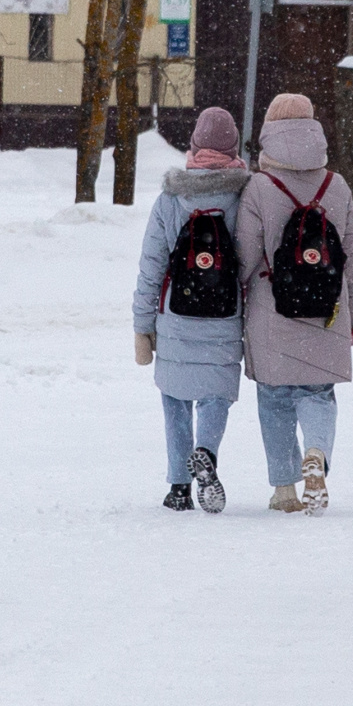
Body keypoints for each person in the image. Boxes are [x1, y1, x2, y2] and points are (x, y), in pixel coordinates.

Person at [236, 92, 353, 514]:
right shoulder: (338, 186)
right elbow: (351, 258)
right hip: (328, 311)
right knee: (318, 393)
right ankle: (316, 454)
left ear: (268, 133)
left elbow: (246, 258)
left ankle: (284, 490)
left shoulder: (259, 187)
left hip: (273, 311)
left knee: (274, 399)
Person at [130, 105, 251, 512]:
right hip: (224, 314)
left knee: (175, 400)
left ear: (195, 145)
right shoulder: (244, 196)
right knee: (216, 395)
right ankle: (207, 454)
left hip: (175, 315)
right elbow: (251, 262)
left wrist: (142, 327)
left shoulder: (170, 198)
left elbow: (151, 266)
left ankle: (179, 487)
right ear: (233, 147)